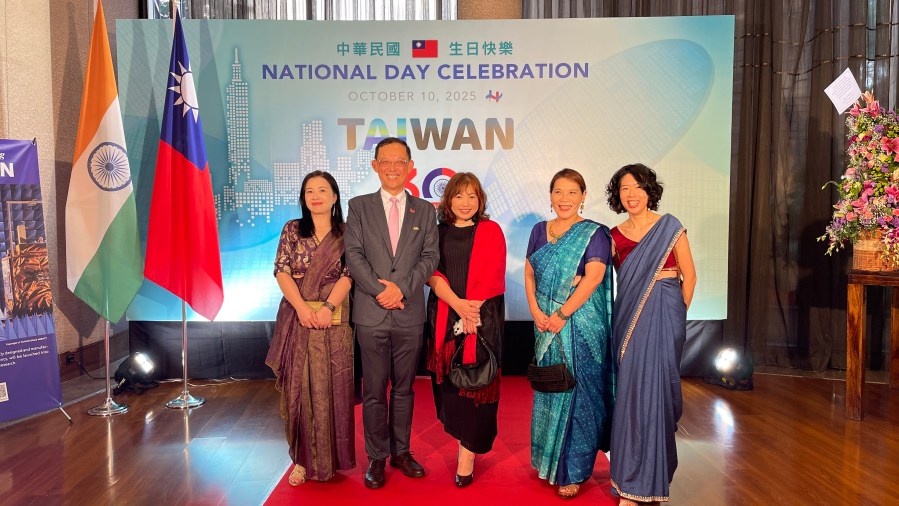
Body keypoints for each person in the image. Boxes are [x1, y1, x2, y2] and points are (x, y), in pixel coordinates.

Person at [344, 137, 440, 489]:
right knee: (373, 390)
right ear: (375, 166)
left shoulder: (425, 210)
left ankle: (402, 451)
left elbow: (430, 256)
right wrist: (381, 291)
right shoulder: (359, 207)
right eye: (386, 161)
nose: (393, 167)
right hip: (371, 313)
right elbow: (353, 254)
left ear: (410, 167)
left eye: (400, 161)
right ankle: (377, 457)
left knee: (404, 389)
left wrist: (402, 289)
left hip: (409, 313)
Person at [605, 163, 696, 505]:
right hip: (630, 322)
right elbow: (600, 276)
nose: (631, 194)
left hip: (666, 314)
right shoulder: (613, 237)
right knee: (631, 396)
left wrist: (674, 315)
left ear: (649, 191)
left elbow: (690, 276)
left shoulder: (670, 227)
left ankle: (654, 478)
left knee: (658, 394)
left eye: (638, 187)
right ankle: (629, 483)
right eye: (624, 188)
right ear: (617, 195)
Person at [525, 168, 615, 499]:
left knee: (580, 395)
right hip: (545, 323)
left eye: (572, 192)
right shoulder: (539, 230)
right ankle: (548, 462)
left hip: (580, 326)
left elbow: (594, 277)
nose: (565, 199)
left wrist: (562, 314)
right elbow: (530, 272)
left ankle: (573, 471)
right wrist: (535, 311)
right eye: (558, 192)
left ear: (583, 196)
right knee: (551, 386)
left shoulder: (594, 233)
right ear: (550, 196)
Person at [265, 170, 354, 486]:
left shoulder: (347, 233)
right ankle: (301, 461)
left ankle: (332, 460)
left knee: (334, 389)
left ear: (335, 196)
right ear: (303, 198)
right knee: (300, 390)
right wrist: (302, 309)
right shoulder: (292, 229)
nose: (315, 196)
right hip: (298, 320)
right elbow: (282, 271)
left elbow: (349, 274)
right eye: (309, 191)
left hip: (335, 321)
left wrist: (327, 308)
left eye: (322, 190)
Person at [425, 173, 506, 488]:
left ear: (480, 200)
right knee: (451, 387)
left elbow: (495, 272)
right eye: (459, 195)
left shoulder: (491, 230)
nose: (465, 202)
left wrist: (472, 310)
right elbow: (431, 272)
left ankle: (467, 454)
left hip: (483, 317)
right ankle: (460, 438)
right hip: (446, 316)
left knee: (476, 383)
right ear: (448, 200)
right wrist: (458, 305)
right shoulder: (437, 232)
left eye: (472, 196)